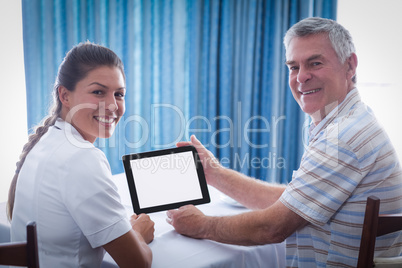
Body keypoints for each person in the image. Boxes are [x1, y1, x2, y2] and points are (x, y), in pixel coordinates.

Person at [166, 17, 402, 267]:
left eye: (315, 63)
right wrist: (214, 173)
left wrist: (201, 225)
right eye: (293, 67)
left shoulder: (343, 137)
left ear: (350, 65)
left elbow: (273, 227)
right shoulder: (352, 118)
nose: (301, 78)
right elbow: (293, 201)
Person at [8, 42, 154, 267]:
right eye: (98, 92)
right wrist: (138, 233)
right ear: (65, 96)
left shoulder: (47, 140)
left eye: (119, 94)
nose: (113, 105)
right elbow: (137, 263)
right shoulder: (81, 157)